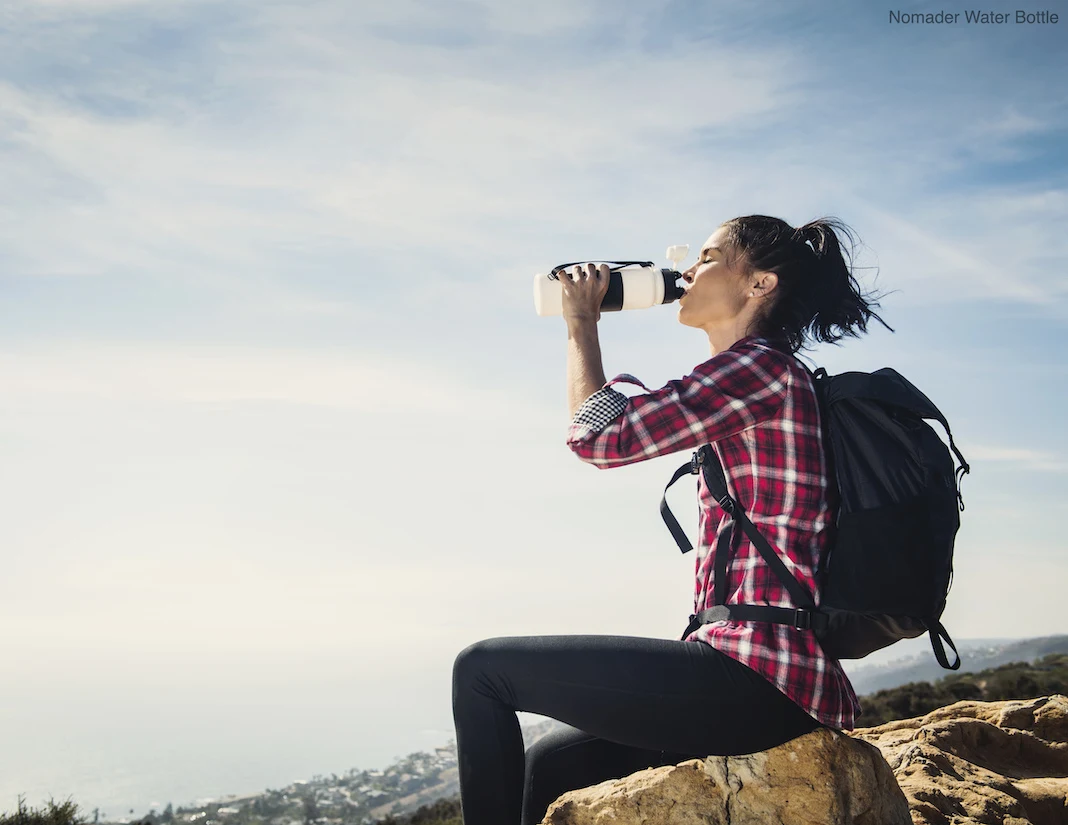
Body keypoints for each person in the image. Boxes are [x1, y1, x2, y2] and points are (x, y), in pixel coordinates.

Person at [451, 215, 892, 825]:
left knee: (480, 671)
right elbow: (631, 421)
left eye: (708, 256)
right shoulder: (757, 378)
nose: (686, 271)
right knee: (551, 764)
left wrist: (582, 322)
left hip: (758, 675)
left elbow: (599, 440)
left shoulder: (759, 370)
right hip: (753, 676)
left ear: (759, 284)